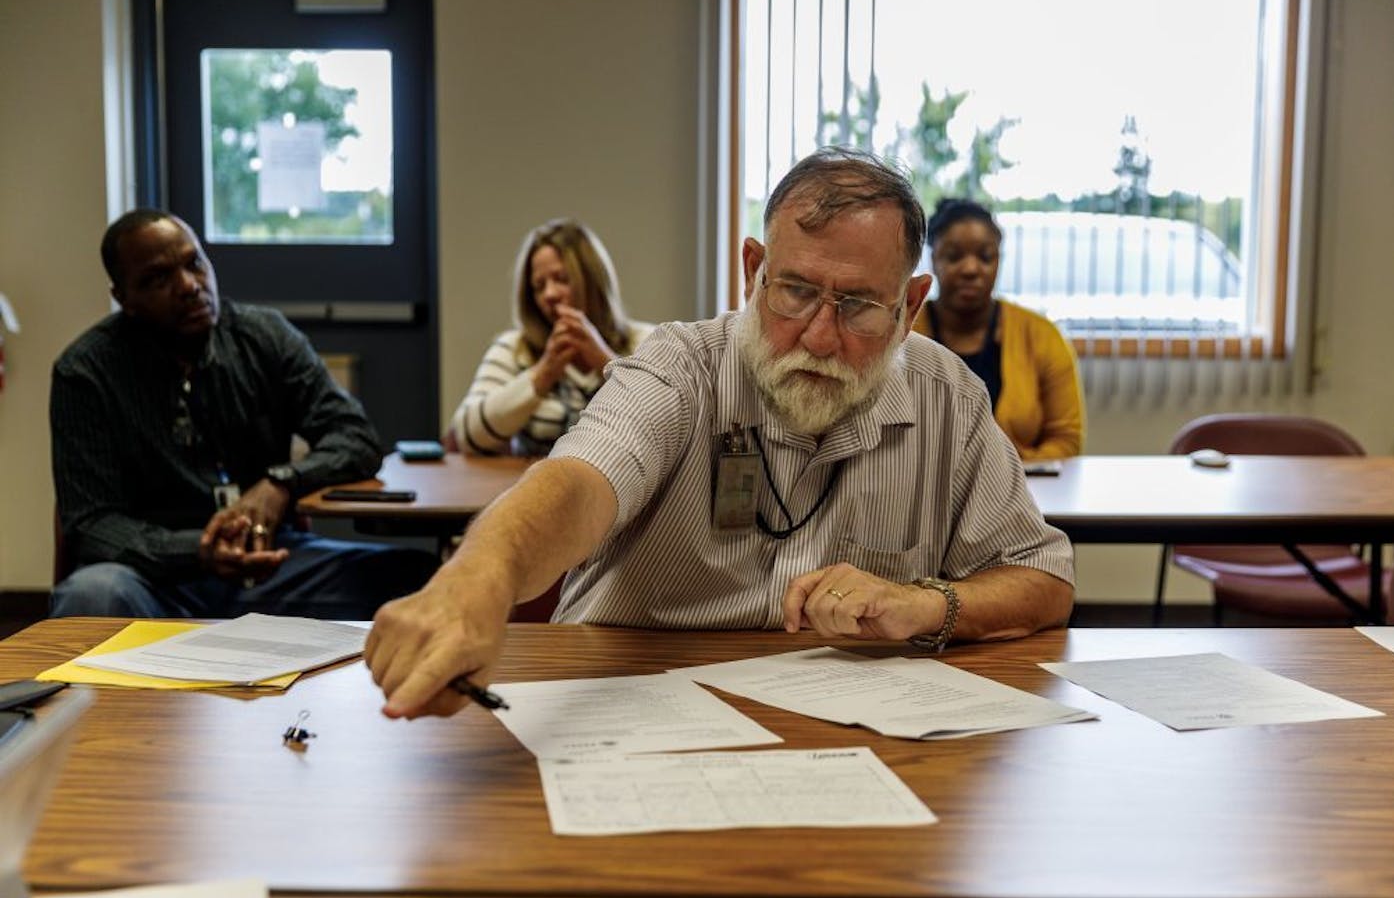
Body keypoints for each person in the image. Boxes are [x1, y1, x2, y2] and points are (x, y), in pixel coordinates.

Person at [366, 148, 1074, 719]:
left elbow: (1042, 578)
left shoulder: (948, 398)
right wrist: (481, 577)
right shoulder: (680, 367)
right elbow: (577, 483)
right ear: (751, 271)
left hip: (846, 729)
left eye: (859, 306)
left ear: (911, 304)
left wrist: (929, 603)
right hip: (626, 706)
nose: (820, 338)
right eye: (794, 291)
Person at [49, 209, 438, 620]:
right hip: (150, 578)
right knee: (91, 596)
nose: (189, 286)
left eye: (194, 263)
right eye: (158, 279)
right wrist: (197, 549)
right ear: (123, 297)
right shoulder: (86, 373)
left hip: (270, 565)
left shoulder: (263, 336)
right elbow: (91, 523)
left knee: (422, 578)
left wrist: (279, 484)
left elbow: (355, 436)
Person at [447, 219, 654, 456]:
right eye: (538, 286)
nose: (550, 294)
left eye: (562, 279)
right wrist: (543, 373)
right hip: (537, 487)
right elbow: (467, 436)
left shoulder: (646, 342)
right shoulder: (515, 348)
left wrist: (604, 361)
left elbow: (669, 425)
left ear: (592, 281)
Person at [913, 199, 1084, 460]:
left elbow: (1067, 440)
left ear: (998, 260)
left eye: (985, 256)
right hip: (920, 492)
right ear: (933, 258)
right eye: (954, 256)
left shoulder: (1041, 335)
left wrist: (1007, 472)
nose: (971, 269)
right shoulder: (901, 334)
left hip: (1024, 492)